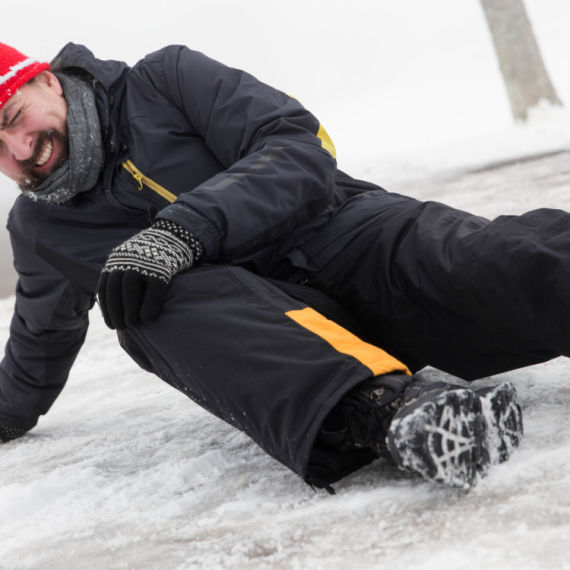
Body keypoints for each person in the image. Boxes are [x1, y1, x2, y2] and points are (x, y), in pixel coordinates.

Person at [4, 40, 553, 494]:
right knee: (139, 302)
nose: (20, 148)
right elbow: (40, 336)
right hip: (281, 349)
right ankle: (391, 417)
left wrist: (186, 226)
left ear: (47, 81)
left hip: (353, 240)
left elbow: (298, 145)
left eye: (12, 116)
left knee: (508, 264)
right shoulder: (39, 230)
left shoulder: (163, 80)